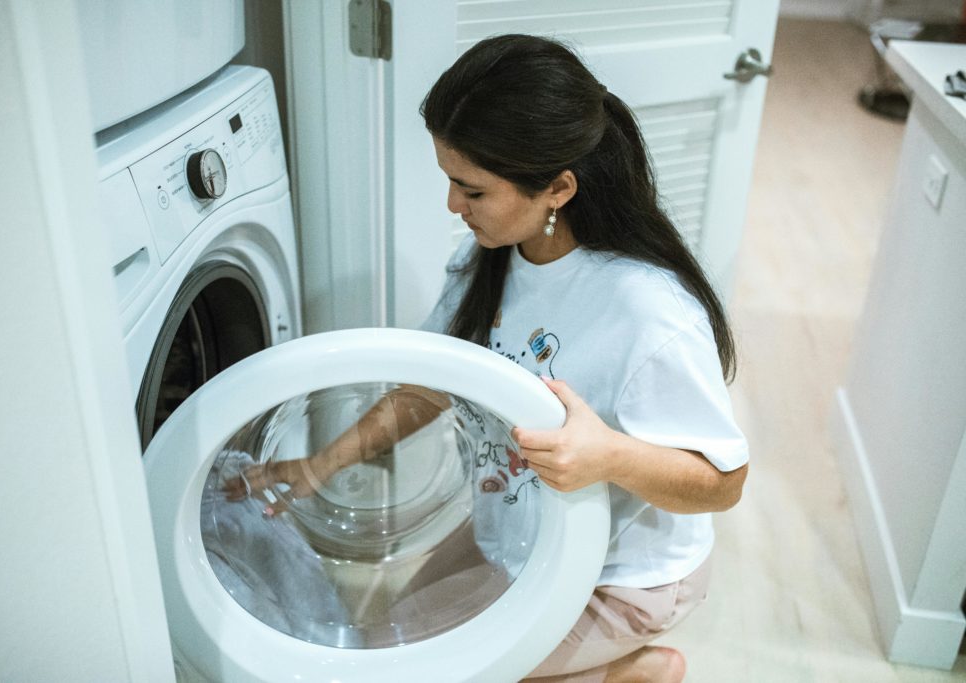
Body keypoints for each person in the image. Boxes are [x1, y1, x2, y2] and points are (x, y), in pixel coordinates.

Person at [227, 33, 748, 683]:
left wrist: (607, 455)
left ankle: (633, 671)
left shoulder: (648, 313)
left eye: (471, 190)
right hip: (517, 527)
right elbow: (433, 385)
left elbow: (725, 480)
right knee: (391, 648)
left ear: (558, 187)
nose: (453, 205)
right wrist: (316, 465)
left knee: (440, 674)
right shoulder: (496, 259)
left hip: (624, 573)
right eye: (451, 181)